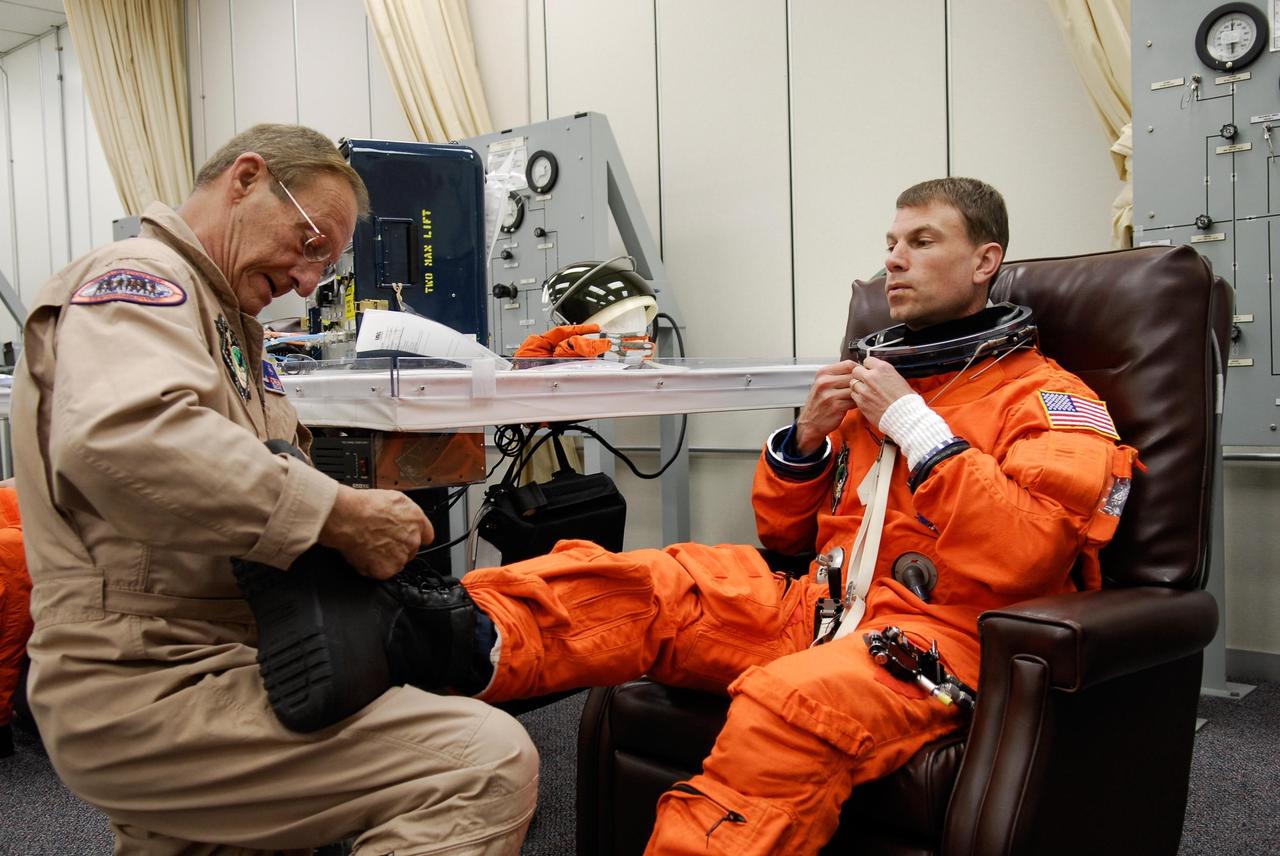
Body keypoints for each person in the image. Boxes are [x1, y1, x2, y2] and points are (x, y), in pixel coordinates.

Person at [249, 176, 1136, 855]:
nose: (892, 262)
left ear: (985, 261)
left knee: (791, 705)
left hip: (938, 644)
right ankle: (419, 635)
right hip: (820, 608)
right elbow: (784, 537)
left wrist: (918, 428)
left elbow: (1028, 553)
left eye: (921, 241)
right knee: (651, 583)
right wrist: (805, 442)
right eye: (889, 243)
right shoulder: (878, 387)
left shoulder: (1049, 402)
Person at [10, 124, 538, 854]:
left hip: (217, 652)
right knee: (478, 764)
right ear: (247, 178)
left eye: (327, 262)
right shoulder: (139, 277)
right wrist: (340, 516)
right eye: (310, 242)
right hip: (148, 675)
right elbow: (127, 440)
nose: (309, 281)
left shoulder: (230, 331)